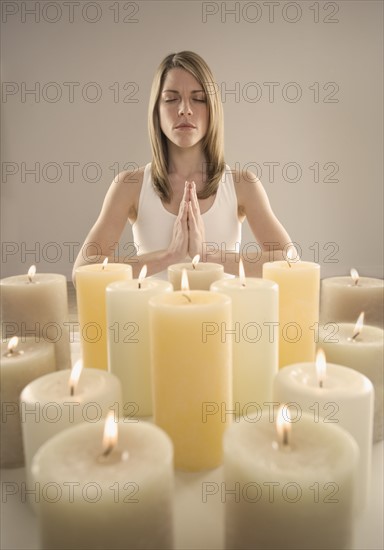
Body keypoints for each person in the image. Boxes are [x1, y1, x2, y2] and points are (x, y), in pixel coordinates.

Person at [73, 51, 293, 282]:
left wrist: (206, 255)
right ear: (156, 110)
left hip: (221, 318)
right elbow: (82, 271)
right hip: (154, 318)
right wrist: (169, 256)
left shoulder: (243, 185)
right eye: (171, 99)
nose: (184, 109)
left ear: (213, 109)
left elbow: (290, 263)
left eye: (198, 99)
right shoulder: (128, 185)